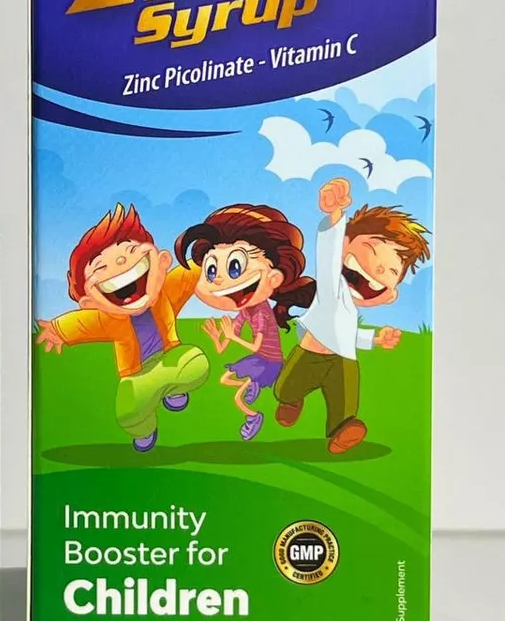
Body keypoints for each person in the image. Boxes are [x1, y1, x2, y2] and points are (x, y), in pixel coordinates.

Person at [274, 177, 431, 453]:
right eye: (372, 251)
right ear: (346, 245)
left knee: (344, 406)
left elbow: (349, 333)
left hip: (344, 361)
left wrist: (376, 339)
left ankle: (344, 430)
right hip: (310, 353)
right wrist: (335, 216)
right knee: (285, 389)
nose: (380, 270)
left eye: (393, 271)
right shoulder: (331, 285)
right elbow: (329, 253)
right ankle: (291, 401)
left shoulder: (350, 309)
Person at [35, 203, 209, 451]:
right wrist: (57, 330)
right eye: (100, 266)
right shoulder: (107, 319)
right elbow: (81, 323)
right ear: (89, 302)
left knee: (196, 362)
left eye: (130, 250)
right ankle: (145, 429)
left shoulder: (166, 292)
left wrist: (209, 255)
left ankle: (171, 389)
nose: (119, 261)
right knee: (129, 412)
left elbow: (190, 272)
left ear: (161, 264)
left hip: (170, 355)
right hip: (136, 375)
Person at [175, 204, 314, 440]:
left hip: (270, 362)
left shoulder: (260, 312)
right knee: (226, 378)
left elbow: (256, 345)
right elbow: (224, 348)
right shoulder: (245, 309)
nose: (219, 280)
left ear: (275, 277)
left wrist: (231, 335)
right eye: (211, 271)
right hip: (259, 359)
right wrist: (217, 337)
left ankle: (253, 416)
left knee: (238, 398)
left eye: (234, 267)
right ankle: (253, 386)